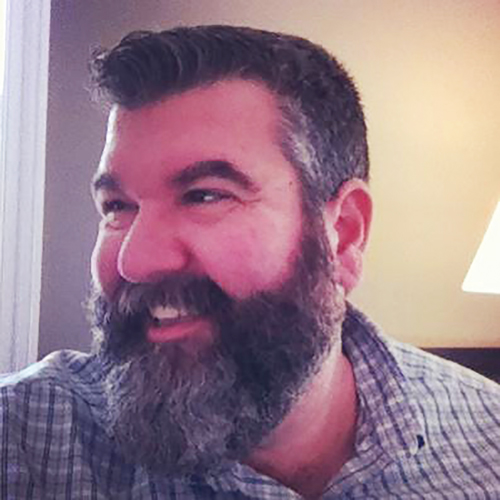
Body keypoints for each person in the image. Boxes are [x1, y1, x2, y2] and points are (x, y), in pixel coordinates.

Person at [1, 25, 499, 499]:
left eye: (204, 196)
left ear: (344, 234)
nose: (136, 261)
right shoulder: (21, 443)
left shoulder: (487, 440)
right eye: (117, 206)